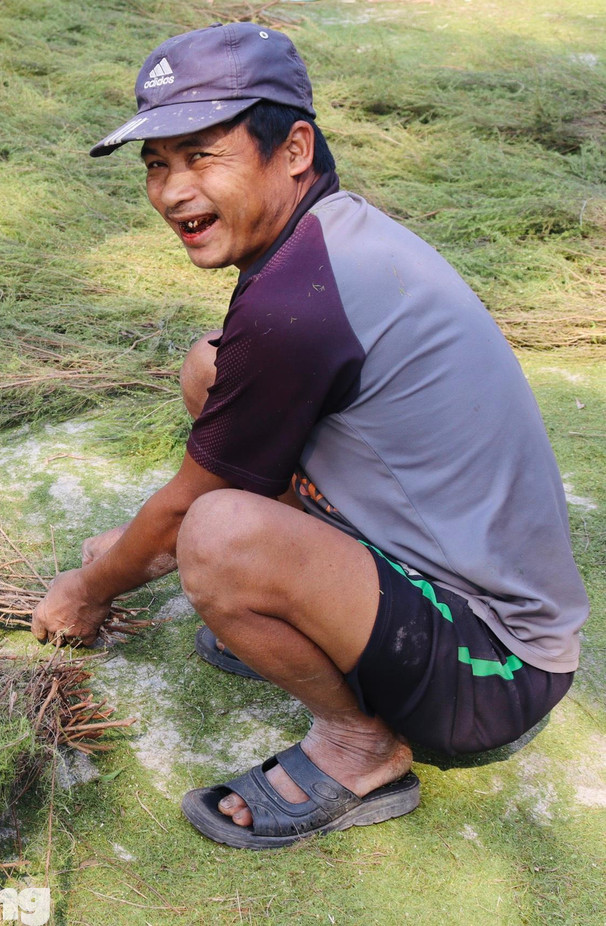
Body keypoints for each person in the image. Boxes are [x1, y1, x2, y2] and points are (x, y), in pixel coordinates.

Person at [31, 21, 589, 850]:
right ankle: (293, 615)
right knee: (209, 368)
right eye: (157, 165)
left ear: (293, 149)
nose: (174, 192)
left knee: (213, 536)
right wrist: (133, 547)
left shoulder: (299, 304)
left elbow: (193, 510)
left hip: (498, 665)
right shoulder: (333, 236)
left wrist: (90, 589)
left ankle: (362, 747)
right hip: (428, 570)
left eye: (203, 156)